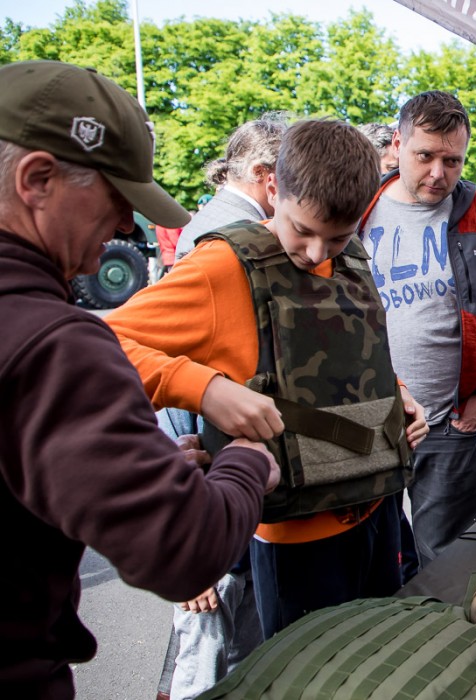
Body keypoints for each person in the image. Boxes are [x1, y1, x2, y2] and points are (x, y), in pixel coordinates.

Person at [0, 59, 279, 699]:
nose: (127, 225)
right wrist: (243, 462)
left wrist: (125, 467)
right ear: (37, 180)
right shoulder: (55, 346)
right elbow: (182, 549)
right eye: (116, 197)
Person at [106, 119, 430, 643]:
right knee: (311, 675)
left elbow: (347, 351)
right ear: (273, 188)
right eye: (303, 230)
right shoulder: (224, 266)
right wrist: (203, 388)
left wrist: (397, 395)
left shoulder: (351, 255)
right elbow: (99, 346)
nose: (318, 253)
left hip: (379, 508)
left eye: (338, 236)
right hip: (296, 538)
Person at [359, 91, 476, 566]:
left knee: (447, 563)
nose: (438, 173)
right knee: (369, 560)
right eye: (425, 156)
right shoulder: (357, 209)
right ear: (397, 144)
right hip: (366, 424)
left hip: (451, 428)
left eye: (452, 161)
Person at [153, 116, 290, 700]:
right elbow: (165, 372)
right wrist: (190, 547)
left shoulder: (222, 230)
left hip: (229, 491)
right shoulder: (224, 244)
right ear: (266, 177)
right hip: (213, 502)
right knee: (207, 659)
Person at [173, 113, 289, 261]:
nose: (292, 184)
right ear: (258, 172)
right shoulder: (252, 233)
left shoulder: (210, 215)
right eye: (286, 173)